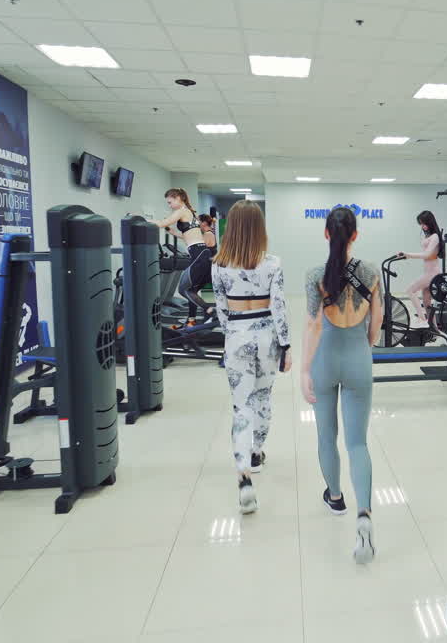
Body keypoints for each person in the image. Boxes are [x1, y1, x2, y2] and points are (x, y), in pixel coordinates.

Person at [302, 207, 382, 564]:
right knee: (357, 442)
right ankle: (364, 514)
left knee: (326, 436)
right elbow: (377, 319)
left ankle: (335, 498)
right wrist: (365, 346)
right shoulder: (371, 272)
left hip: (324, 360)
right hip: (358, 359)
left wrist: (305, 370)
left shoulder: (314, 275)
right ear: (355, 235)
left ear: (325, 234)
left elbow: (313, 325)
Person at [211, 201, 290, 514]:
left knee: (241, 405)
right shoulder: (272, 263)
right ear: (260, 228)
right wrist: (286, 346)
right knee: (263, 397)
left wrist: (233, 335)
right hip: (267, 336)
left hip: (237, 335)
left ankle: (244, 475)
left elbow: (221, 310)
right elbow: (279, 308)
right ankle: (257, 452)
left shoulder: (218, 265)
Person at [154, 188, 213, 328]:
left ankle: (210, 311)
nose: (169, 205)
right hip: (201, 253)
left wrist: (140, 219)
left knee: (184, 289)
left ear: (178, 198)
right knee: (192, 290)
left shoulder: (181, 211)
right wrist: (171, 232)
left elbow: (161, 223)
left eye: (170, 202)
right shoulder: (190, 212)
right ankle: (191, 321)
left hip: (198, 254)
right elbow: (188, 236)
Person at [397, 210, 442, 328]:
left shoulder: (435, 237)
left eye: (424, 223)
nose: (422, 226)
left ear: (430, 222)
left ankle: (422, 319)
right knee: (427, 302)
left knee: (410, 290)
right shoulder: (429, 236)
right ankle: (435, 330)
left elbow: (427, 254)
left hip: (432, 273)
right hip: (428, 272)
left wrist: (408, 255)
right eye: (421, 224)